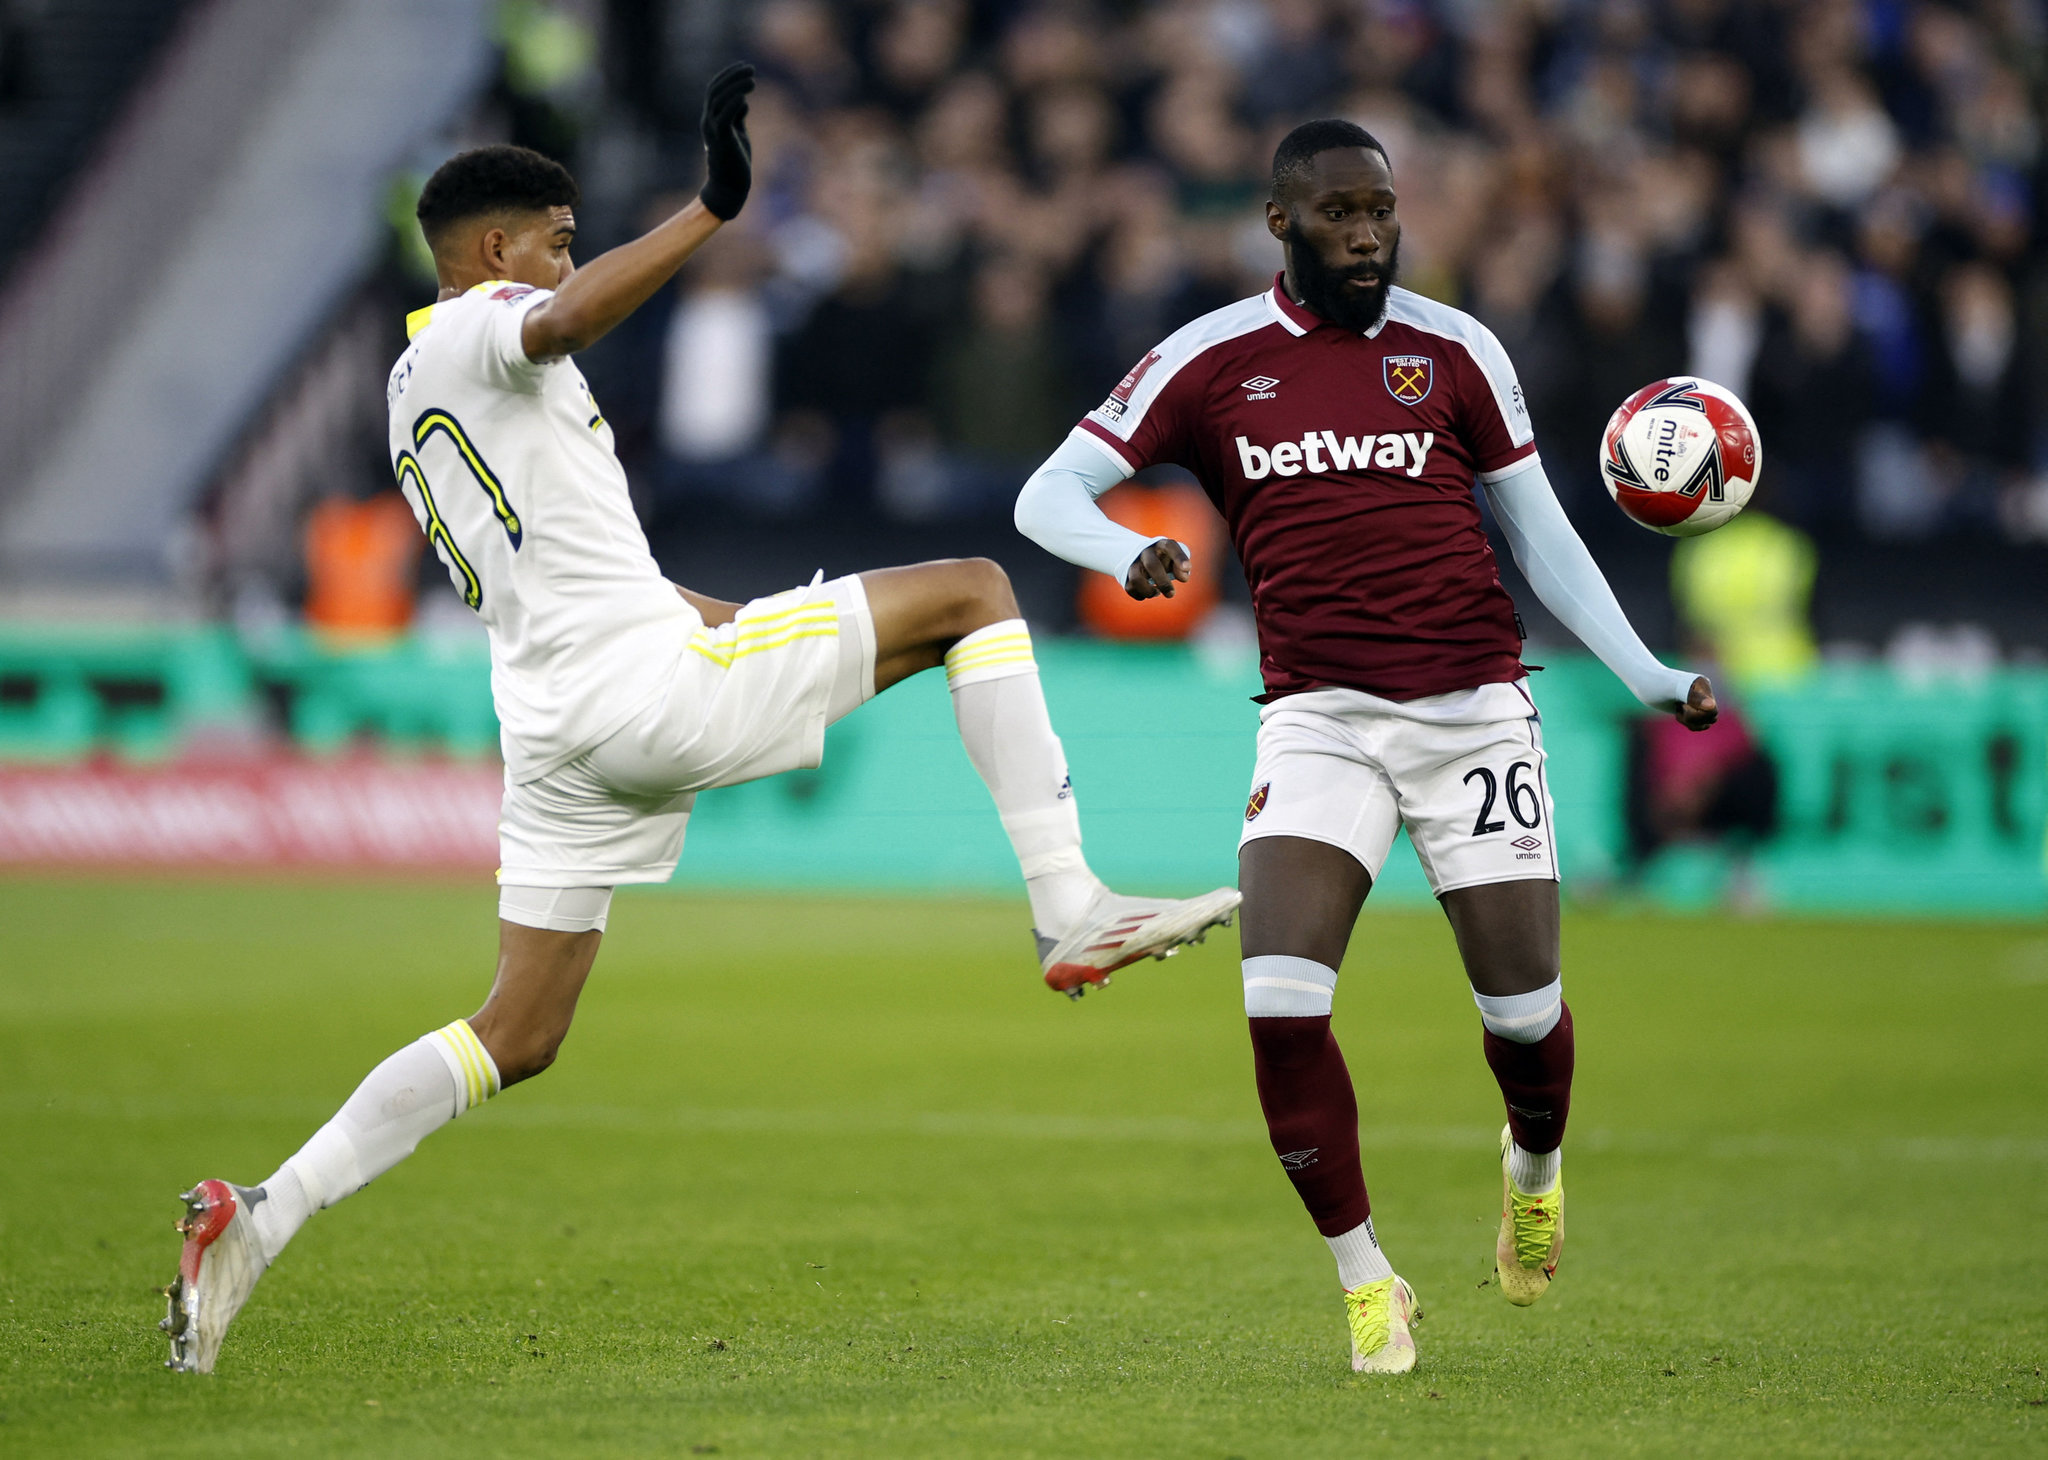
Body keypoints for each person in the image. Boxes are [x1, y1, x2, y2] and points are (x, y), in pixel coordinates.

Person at [161, 63, 1238, 1376]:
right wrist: (709, 212)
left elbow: (602, 564)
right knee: (977, 591)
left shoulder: (409, 402)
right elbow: (553, 326)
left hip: (557, 724)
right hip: (636, 695)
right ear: (495, 253)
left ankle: (261, 1217)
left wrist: (749, 621)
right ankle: (1068, 902)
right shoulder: (477, 329)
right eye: (557, 247)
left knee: (520, 1032)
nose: (568, 269)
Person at [1015, 119, 1717, 1375]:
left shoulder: (1454, 348)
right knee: (1278, 1005)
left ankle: (1533, 1164)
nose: (1367, 234)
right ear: (1279, 222)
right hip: (1318, 720)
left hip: (1471, 716)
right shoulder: (1209, 357)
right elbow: (1044, 494)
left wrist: (1647, 674)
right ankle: (1366, 1282)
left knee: (1522, 1015)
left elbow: (1540, 534)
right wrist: (1123, 552)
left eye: (1380, 212)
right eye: (1339, 214)